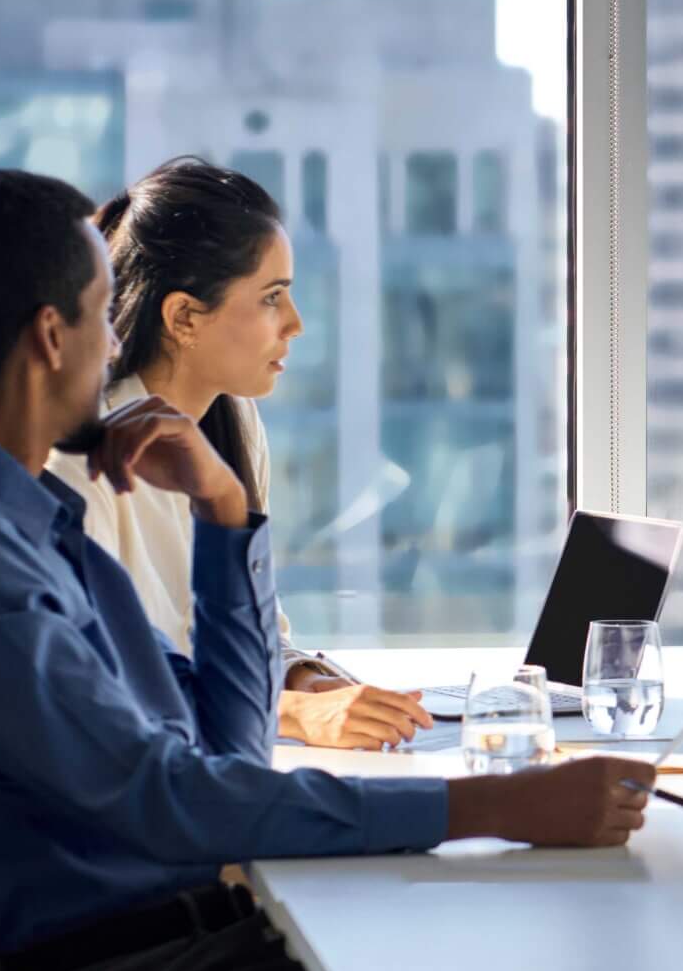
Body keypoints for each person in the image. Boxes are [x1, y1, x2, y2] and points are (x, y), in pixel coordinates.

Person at [0, 170, 650, 971]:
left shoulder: (32, 527)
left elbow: (228, 749)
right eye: (103, 315)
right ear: (53, 338)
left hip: (182, 944)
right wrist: (486, 808)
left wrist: (225, 515)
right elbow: (163, 799)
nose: (114, 345)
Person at [46, 157, 431, 751]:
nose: (296, 324)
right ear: (183, 318)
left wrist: (307, 678)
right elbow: (108, 692)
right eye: (272, 298)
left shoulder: (232, 422)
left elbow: (248, 634)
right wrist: (297, 715)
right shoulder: (79, 465)